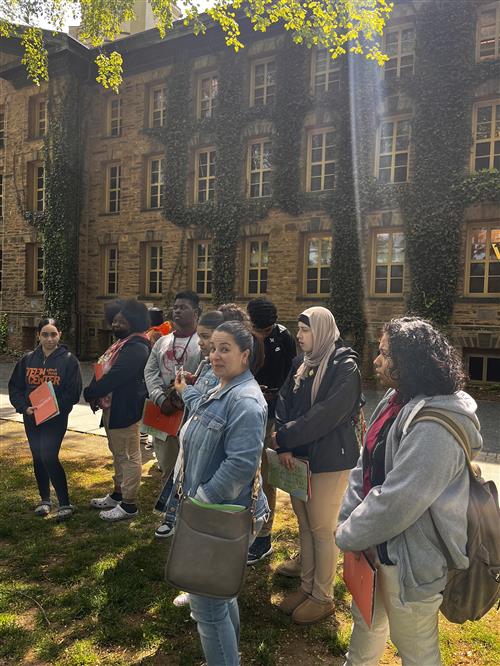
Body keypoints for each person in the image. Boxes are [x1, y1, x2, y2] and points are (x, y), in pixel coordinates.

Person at [335, 317, 482, 666]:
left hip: (411, 560)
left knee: (415, 648)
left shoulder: (436, 425)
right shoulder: (394, 398)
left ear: (410, 363)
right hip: (373, 545)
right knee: (366, 627)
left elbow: (400, 500)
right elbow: (365, 461)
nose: (376, 360)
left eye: (385, 354)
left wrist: (349, 533)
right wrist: (351, 522)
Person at [173, 321, 269, 666]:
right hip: (212, 514)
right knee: (221, 594)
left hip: (217, 516)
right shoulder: (222, 388)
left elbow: (241, 466)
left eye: (225, 348)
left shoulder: (244, 400)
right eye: (213, 348)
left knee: (207, 608)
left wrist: (200, 501)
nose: (215, 355)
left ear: (245, 355)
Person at [274, 306, 362, 624]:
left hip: (329, 459)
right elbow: (284, 400)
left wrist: (285, 436)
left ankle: (323, 597)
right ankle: (307, 587)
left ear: (322, 330)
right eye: (298, 330)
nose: (299, 336)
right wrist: (285, 441)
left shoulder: (345, 365)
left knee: (323, 529)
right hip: (298, 457)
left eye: (305, 330)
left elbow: (327, 414)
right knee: (305, 524)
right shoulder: (302, 363)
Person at [154, 310, 225, 539]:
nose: (201, 342)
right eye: (201, 337)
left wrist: (187, 390)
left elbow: (207, 405)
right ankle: (173, 518)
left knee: (194, 483)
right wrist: (192, 380)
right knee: (180, 476)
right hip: (190, 434)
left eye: (205, 337)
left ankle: (189, 526)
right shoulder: (206, 364)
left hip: (205, 440)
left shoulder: (224, 369)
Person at [83, 299, 151, 521]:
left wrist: (91, 391)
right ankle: (118, 493)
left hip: (125, 408)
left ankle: (129, 505)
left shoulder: (137, 347)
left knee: (129, 455)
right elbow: (104, 369)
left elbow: (115, 376)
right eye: (114, 321)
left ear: (134, 322)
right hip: (112, 407)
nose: (115, 325)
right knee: (118, 452)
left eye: (121, 322)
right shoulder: (122, 344)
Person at [8, 317, 82, 520]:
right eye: (45, 334)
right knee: (38, 457)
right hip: (32, 417)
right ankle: (45, 500)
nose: (49, 339)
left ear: (60, 335)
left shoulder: (69, 361)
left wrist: (55, 409)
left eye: (53, 334)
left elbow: (73, 392)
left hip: (54, 419)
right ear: (38, 336)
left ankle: (65, 503)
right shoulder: (27, 359)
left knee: (49, 456)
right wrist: (24, 407)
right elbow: (15, 386)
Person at [246, 297, 297, 564]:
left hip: (272, 414)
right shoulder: (242, 337)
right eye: (259, 331)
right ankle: (241, 527)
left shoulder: (285, 337)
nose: (263, 336)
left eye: (268, 331)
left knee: (266, 475)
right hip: (245, 412)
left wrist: (277, 399)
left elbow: (292, 374)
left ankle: (264, 535)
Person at [144, 290, 201, 482]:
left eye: (183, 307)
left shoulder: (203, 342)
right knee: (167, 465)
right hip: (164, 414)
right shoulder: (162, 341)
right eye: (175, 307)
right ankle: (168, 508)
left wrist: (179, 399)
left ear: (196, 312)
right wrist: (160, 398)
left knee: (191, 467)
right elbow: (150, 372)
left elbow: (206, 375)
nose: (177, 311)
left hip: (191, 414)